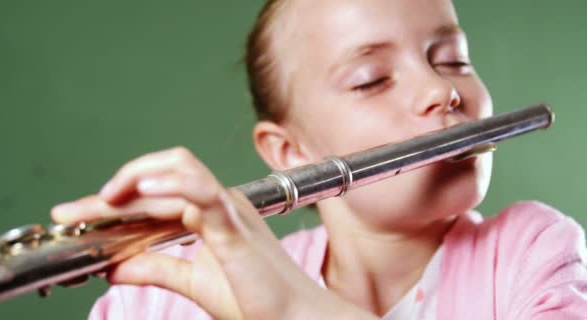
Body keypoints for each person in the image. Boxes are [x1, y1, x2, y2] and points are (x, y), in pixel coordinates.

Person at [51, 0, 587, 319]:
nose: (441, 89)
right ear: (291, 153)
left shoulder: (533, 253)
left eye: (453, 59)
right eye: (371, 80)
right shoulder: (172, 296)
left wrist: (294, 311)